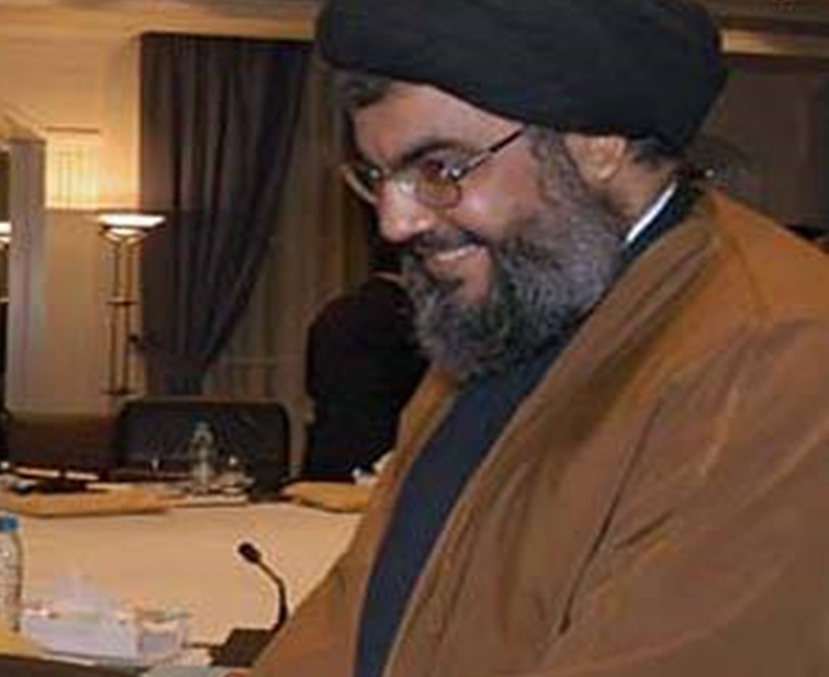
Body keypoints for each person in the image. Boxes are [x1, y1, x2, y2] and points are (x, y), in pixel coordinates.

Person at [253, 1, 829, 676]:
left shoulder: (779, 353)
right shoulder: (515, 305)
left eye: (440, 169)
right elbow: (355, 613)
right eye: (379, 177)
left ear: (599, 144)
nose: (395, 220)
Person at [303, 238, 427, 480]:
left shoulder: (334, 312)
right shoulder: (415, 322)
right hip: (388, 457)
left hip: (327, 453)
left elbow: (313, 384)